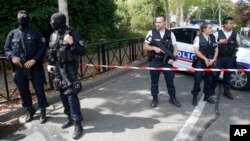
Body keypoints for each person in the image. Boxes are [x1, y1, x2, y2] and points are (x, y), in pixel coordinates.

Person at [4, 10, 49, 124]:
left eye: (24, 15)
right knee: (23, 91)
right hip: (19, 67)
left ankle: (43, 110)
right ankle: (29, 110)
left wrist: (34, 60)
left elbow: (42, 48)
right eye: (19, 15)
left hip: (34, 66)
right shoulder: (12, 33)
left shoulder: (35, 32)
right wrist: (12, 57)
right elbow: (7, 49)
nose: (22, 17)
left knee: (39, 89)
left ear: (28, 17)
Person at [47, 12, 84, 139]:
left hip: (69, 69)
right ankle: (69, 117)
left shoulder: (72, 33)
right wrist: (49, 64)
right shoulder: (53, 35)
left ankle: (78, 123)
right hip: (57, 70)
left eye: (53, 21)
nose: (51, 23)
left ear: (58, 22)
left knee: (71, 95)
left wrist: (72, 43)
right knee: (62, 94)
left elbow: (81, 50)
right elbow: (51, 53)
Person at [144, 15, 181, 108]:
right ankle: (155, 98)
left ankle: (172, 98)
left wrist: (173, 57)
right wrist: (153, 48)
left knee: (170, 80)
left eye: (160, 22)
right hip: (155, 60)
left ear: (164, 23)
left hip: (167, 61)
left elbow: (175, 47)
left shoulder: (170, 33)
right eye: (156, 22)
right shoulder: (151, 32)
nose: (158, 24)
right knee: (154, 81)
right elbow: (145, 47)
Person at [191, 22, 218, 106]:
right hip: (200, 61)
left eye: (211, 28)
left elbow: (216, 50)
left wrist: (214, 59)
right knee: (197, 80)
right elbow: (196, 51)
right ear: (204, 29)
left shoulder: (213, 37)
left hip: (210, 61)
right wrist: (205, 59)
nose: (211, 29)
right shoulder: (198, 38)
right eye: (209, 28)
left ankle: (207, 96)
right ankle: (195, 96)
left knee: (209, 79)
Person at [212, 17, 240, 100]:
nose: (232, 25)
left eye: (232, 23)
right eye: (230, 23)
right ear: (224, 24)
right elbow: (212, 44)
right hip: (219, 57)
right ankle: (211, 90)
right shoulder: (217, 33)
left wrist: (237, 44)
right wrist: (220, 42)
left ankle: (227, 91)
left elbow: (238, 44)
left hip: (230, 58)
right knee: (215, 74)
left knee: (228, 76)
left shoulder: (235, 34)